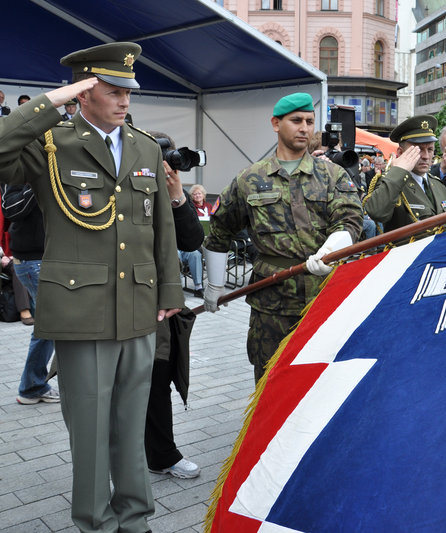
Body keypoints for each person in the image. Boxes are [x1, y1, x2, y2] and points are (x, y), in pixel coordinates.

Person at [0, 42, 183, 532]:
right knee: (90, 429)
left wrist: (169, 293)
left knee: (130, 422)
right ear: (84, 92)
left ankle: (136, 518)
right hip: (82, 310)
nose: (125, 99)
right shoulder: (52, 142)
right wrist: (51, 102)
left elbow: (160, 226)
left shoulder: (144, 145)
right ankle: (95, 521)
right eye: (113, 88)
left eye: (129, 90)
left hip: (140, 307)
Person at [203, 92, 362, 384]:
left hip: (325, 296)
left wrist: (330, 251)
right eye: (296, 120)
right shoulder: (249, 179)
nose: (304, 128)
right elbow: (220, 231)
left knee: (322, 382)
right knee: (270, 383)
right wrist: (214, 285)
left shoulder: (332, 175)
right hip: (271, 304)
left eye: (310, 121)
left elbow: (350, 219)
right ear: (276, 124)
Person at [145, 131, 204, 480]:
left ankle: (162, 454)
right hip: (120, 300)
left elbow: (193, 240)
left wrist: (178, 195)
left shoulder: (170, 194)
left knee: (159, 374)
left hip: (159, 305)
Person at [1, 183, 59, 404]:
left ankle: (32, 385)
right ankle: (32, 386)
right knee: (49, 324)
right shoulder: (21, 168)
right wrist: (40, 177)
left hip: (42, 258)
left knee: (48, 324)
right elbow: (12, 209)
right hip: (33, 259)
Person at [363, 115, 446, 231]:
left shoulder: (438, 185)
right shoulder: (391, 181)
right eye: (417, 150)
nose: (426, 156)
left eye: (430, 149)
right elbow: (377, 212)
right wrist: (398, 171)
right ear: (400, 152)